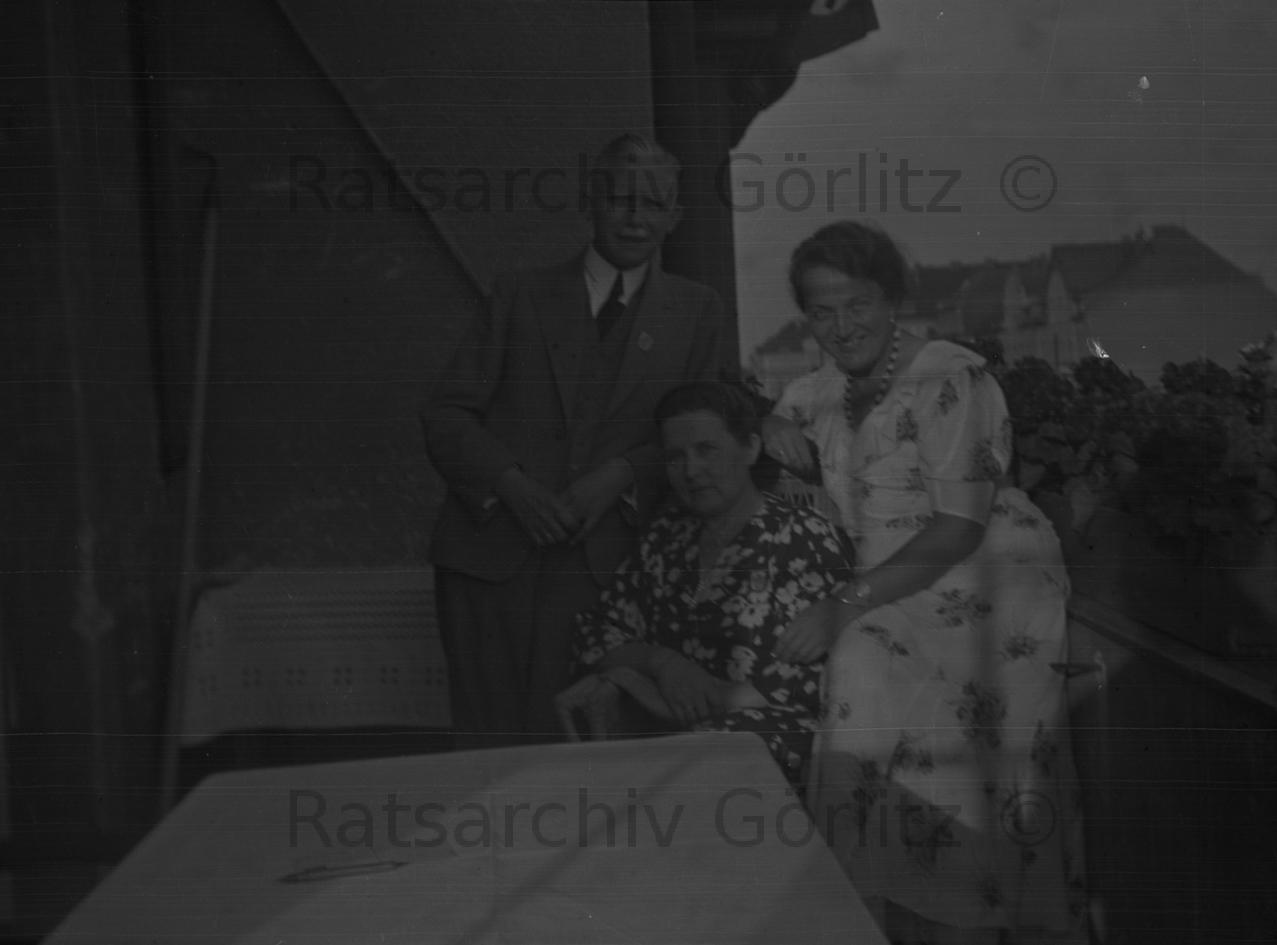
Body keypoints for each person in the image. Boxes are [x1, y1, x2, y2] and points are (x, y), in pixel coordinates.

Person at [762, 222, 1087, 945]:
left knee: (891, 692)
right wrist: (762, 421)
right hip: (890, 583)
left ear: (891, 299)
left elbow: (959, 527)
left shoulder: (950, 377)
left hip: (980, 575)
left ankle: (967, 922)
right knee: (861, 681)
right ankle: (872, 920)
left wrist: (840, 605)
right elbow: (758, 426)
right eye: (821, 311)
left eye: (858, 304)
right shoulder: (813, 392)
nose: (842, 326)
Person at [421, 134, 731, 747]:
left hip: (610, 575)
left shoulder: (696, 311)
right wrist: (511, 486)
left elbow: (704, 435)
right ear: (591, 202)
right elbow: (446, 415)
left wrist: (621, 474)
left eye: (653, 203)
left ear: (675, 216)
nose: (635, 218)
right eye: (619, 199)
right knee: (488, 751)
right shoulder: (520, 294)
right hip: (489, 566)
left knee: (587, 757)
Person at [556, 382, 853, 787]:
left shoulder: (804, 539)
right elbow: (597, 633)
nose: (691, 471)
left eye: (706, 450)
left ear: (750, 449)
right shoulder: (666, 538)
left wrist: (675, 692)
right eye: (675, 457)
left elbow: (815, 684)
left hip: (773, 744)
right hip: (679, 744)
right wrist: (662, 663)